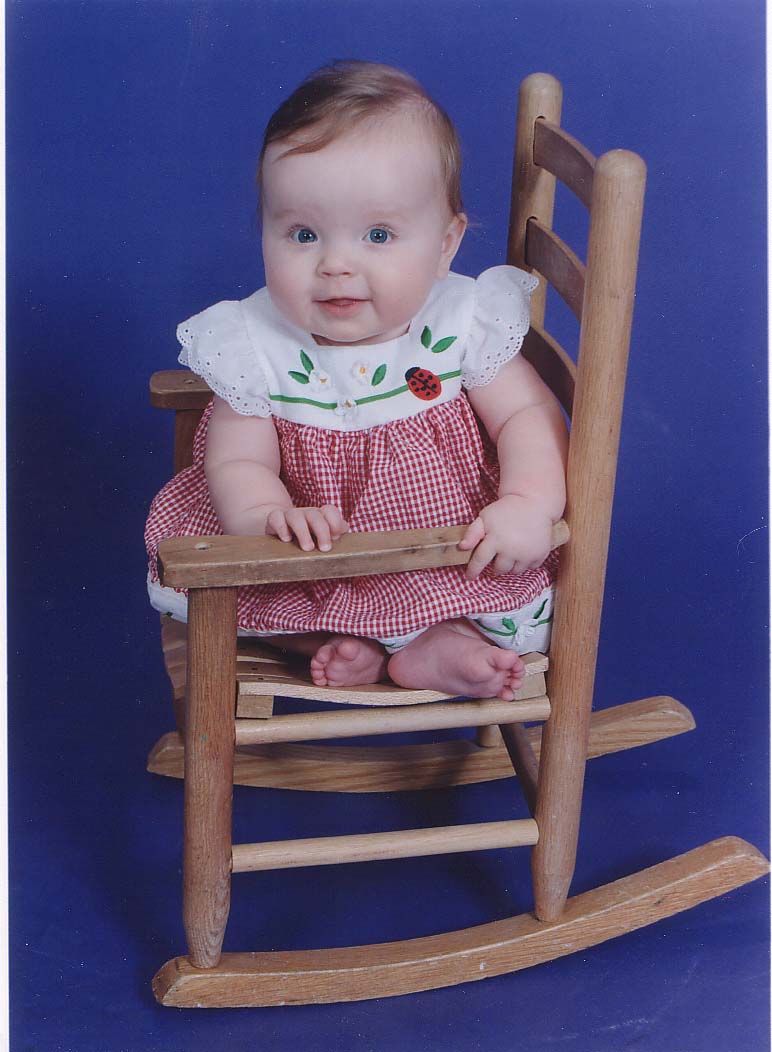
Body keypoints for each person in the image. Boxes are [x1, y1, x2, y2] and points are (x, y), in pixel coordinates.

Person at [145, 60, 567, 702]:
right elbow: (236, 459)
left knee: (476, 591)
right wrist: (268, 515)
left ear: (445, 243)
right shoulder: (253, 343)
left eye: (377, 234)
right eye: (303, 234)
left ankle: (433, 643)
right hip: (313, 558)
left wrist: (528, 503)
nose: (336, 264)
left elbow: (525, 415)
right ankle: (350, 643)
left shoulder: (462, 323)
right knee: (235, 595)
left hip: (440, 553)